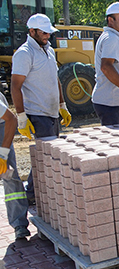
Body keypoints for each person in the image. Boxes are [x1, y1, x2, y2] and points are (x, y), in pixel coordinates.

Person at [11, 13, 71, 208]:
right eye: (44, 33)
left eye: (48, 32)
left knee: (46, 157)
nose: (47, 36)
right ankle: (32, 195)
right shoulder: (24, 53)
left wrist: (62, 106)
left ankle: (35, 192)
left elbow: (55, 80)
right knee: (44, 159)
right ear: (32, 31)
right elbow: (15, 86)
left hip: (52, 112)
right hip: (37, 114)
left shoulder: (48, 50)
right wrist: (21, 117)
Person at [0, 95, 30, 240]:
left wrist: (3, 154)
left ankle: (19, 224)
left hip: (2, 123)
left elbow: (11, 119)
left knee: (8, 174)